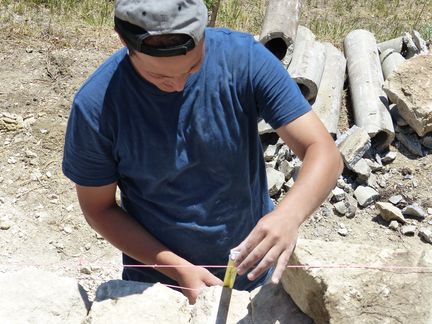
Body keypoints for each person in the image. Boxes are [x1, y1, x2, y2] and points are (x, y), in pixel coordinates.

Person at [62, 0, 343, 304]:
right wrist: (179, 270)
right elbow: (99, 208)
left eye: (192, 67)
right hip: (157, 289)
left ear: (204, 33)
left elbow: (323, 152)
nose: (179, 84)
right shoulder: (97, 106)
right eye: (160, 78)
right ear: (123, 41)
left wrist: (289, 215)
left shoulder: (244, 60)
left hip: (252, 273)